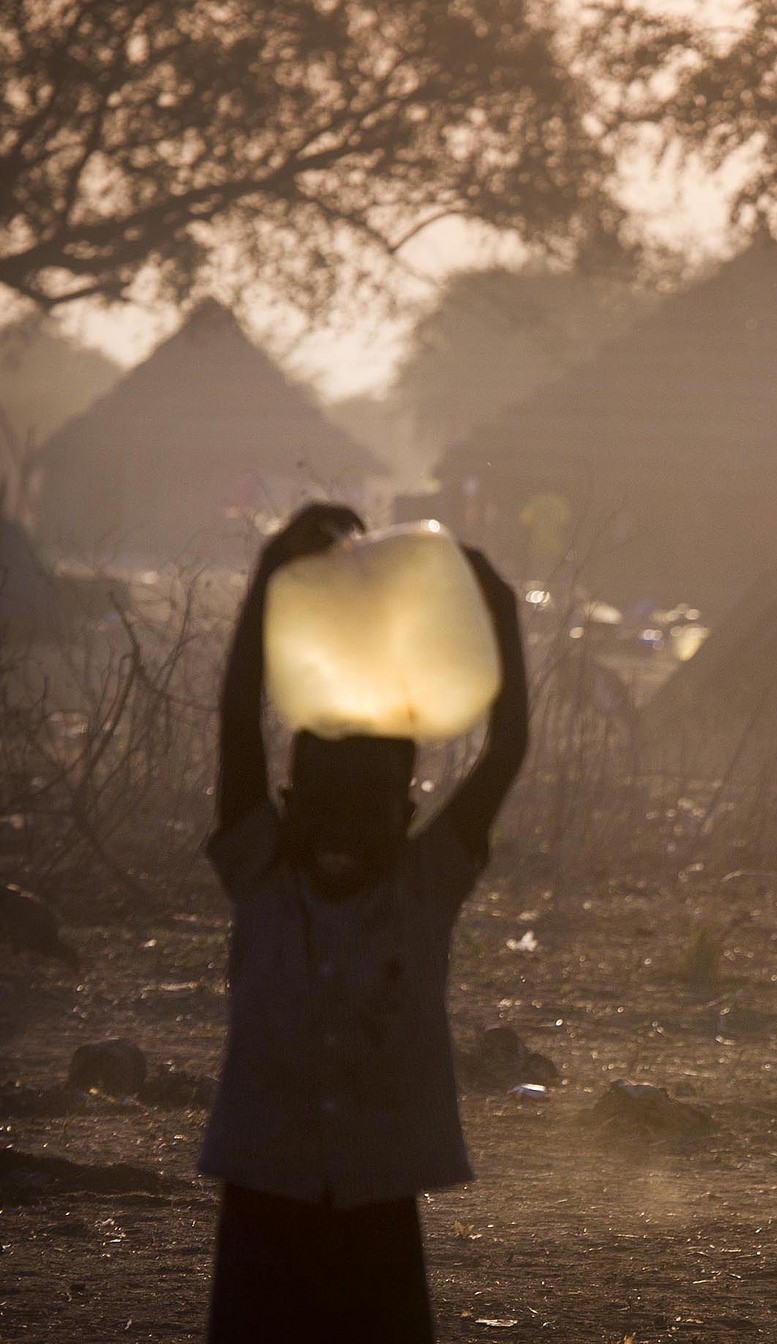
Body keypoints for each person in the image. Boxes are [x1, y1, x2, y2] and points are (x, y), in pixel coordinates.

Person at [203, 503, 529, 1342]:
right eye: (324, 803)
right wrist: (271, 569)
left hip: (380, 1197)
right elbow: (238, 722)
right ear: (286, 804)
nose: (344, 830)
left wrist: (498, 612)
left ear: (408, 810)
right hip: (264, 1192)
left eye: (369, 805)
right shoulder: (262, 876)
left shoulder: (424, 888)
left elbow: (507, 749)